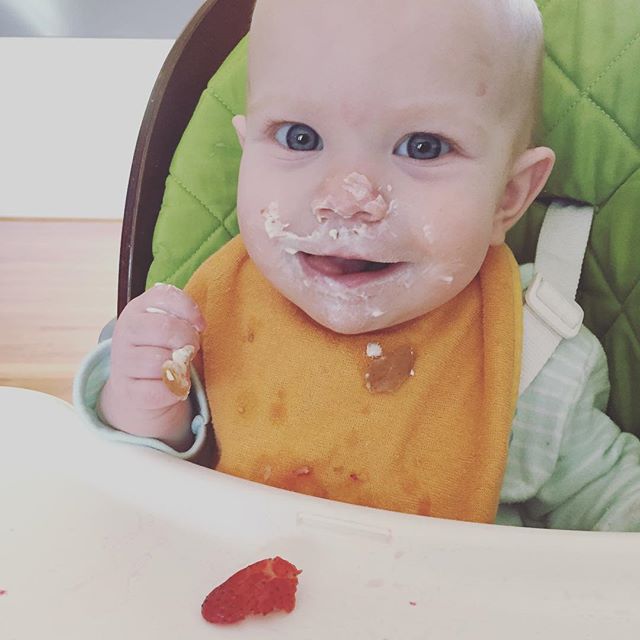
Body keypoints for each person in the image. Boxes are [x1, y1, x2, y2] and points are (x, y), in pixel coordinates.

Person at [75, 0, 640, 530]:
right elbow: (139, 499)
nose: (348, 196)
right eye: (300, 137)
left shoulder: (528, 365)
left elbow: (614, 506)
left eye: (422, 146)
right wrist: (147, 410)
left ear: (508, 198)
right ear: (247, 151)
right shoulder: (200, 326)